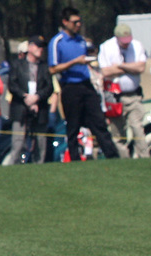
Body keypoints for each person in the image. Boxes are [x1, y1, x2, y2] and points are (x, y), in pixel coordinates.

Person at [48, 8, 119, 160]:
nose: (78, 25)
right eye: (74, 22)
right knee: (73, 125)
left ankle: (112, 155)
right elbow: (53, 68)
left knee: (98, 121)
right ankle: (74, 157)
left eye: (79, 21)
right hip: (70, 86)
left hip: (86, 85)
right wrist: (74, 62)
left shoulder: (81, 40)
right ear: (65, 22)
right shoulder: (57, 42)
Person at [97, 23, 150, 158]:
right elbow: (106, 71)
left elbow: (140, 68)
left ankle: (145, 158)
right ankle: (123, 159)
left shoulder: (137, 45)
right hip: (114, 97)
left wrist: (120, 66)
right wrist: (130, 68)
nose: (126, 44)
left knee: (137, 128)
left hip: (133, 95)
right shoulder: (106, 47)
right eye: (123, 42)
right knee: (118, 133)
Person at [4, 36, 51, 164]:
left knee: (40, 142)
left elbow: (49, 87)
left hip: (39, 108)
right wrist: (25, 97)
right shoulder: (17, 64)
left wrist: (37, 98)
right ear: (30, 47)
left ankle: (39, 165)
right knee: (18, 142)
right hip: (20, 108)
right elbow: (12, 85)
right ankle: (14, 167)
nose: (40, 49)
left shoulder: (44, 67)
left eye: (42, 47)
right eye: (37, 46)